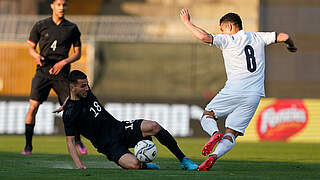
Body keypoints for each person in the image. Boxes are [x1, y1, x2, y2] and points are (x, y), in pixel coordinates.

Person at [180, 8, 297, 171]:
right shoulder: (259, 37)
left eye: (221, 29)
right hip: (254, 94)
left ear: (228, 27)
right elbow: (284, 36)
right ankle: (214, 156)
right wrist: (290, 45)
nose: (221, 32)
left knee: (208, 115)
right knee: (232, 133)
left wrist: (187, 22)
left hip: (234, 89)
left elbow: (203, 37)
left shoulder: (228, 40)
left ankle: (214, 134)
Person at [60, 70, 198, 170]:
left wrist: (66, 102)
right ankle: (144, 165)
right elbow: (70, 141)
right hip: (108, 145)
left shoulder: (85, 93)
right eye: (83, 86)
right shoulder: (70, 114)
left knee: (154, 126)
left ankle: (183, 160)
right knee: (135, 165)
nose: (87, 88)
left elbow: (73, 97)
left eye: (87, 84)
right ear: (73, 87)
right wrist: (79, 165)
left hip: (119, 128)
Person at [22, 0, 87, 155]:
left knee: (70, 109)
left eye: (64, 4)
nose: (61, 7)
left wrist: (63, 62)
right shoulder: (40, 25)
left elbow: (77, 53)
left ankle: (77, 140)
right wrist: (36, 56)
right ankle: (28, 146)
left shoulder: (72, 28)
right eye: (58, 4)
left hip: (63, 75)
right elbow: (31, 48)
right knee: (33, 107)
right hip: (43, 72)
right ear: (52, 6)